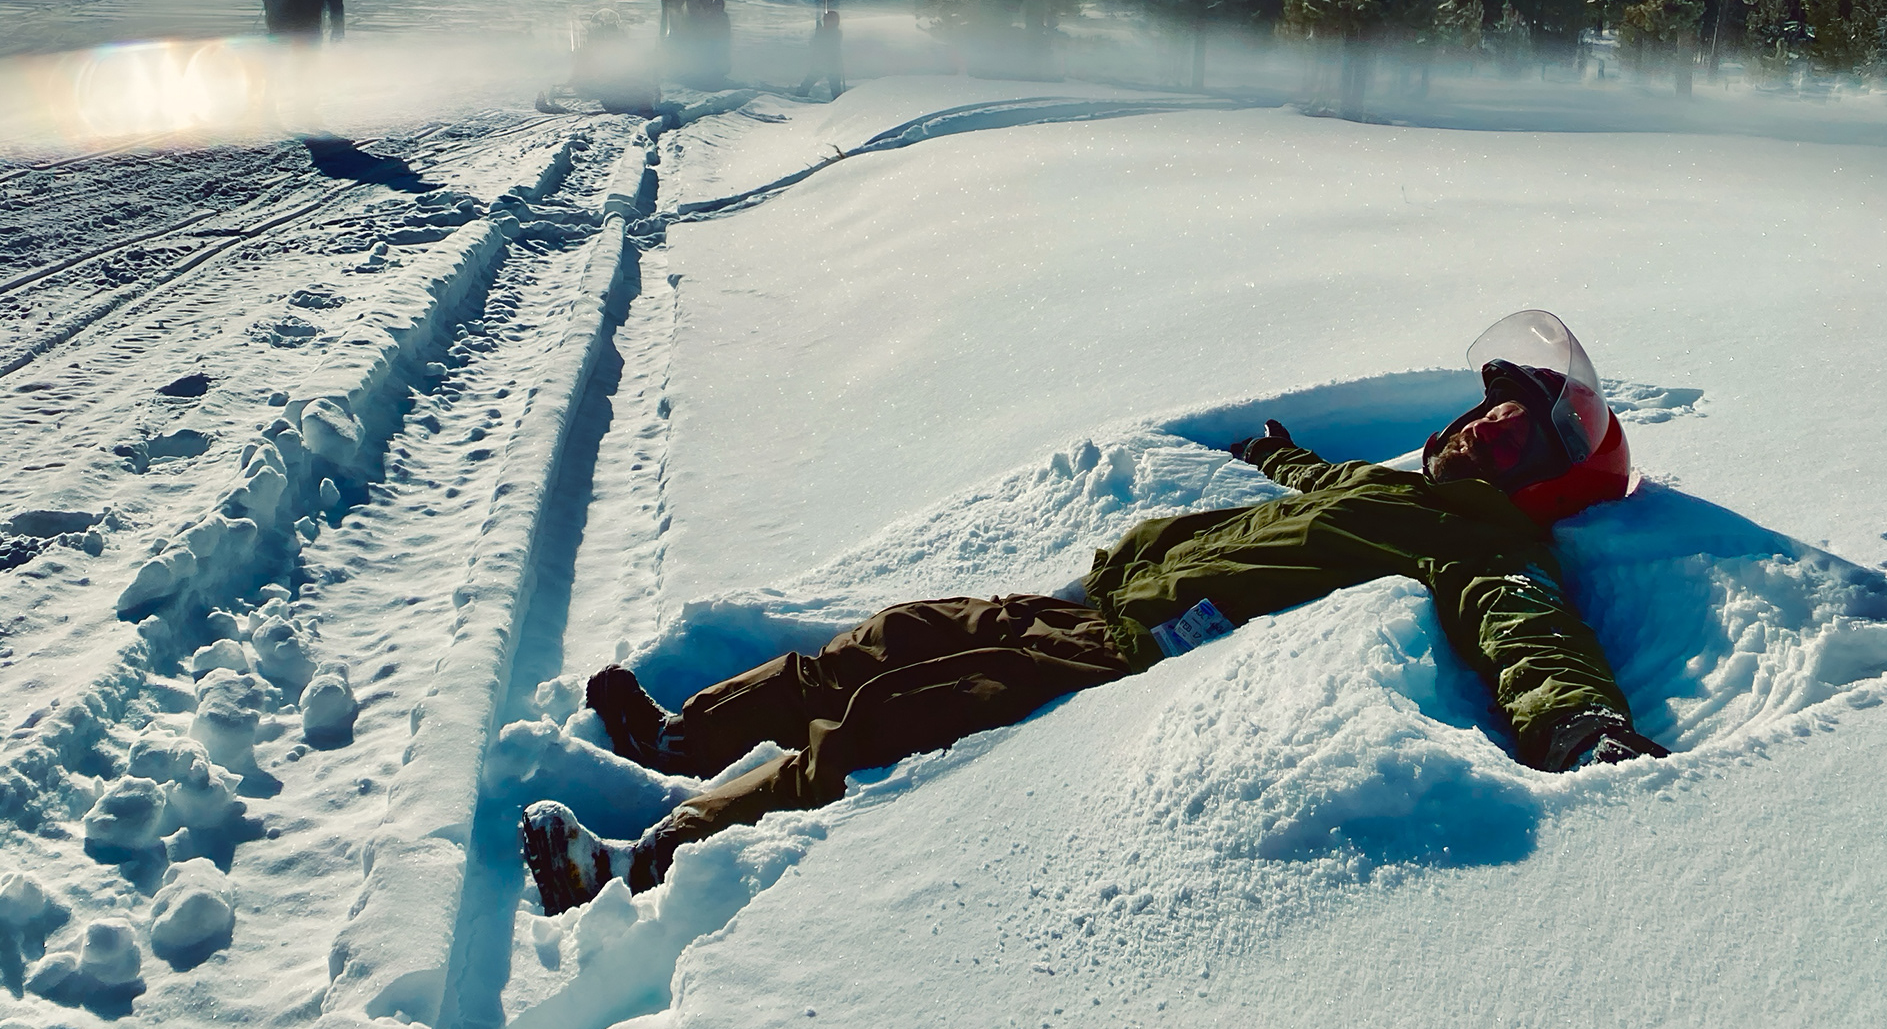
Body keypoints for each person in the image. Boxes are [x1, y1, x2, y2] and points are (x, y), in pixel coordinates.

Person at [520, 310, 1668, 915]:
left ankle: (645, 861)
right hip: (1090, 604)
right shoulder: (1399, 491)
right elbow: (1322, 488)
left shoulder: (1488, 545)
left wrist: (1581, 725)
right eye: (1486, 413)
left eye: (1513, 437)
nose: (1483, 431)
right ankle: (681, 739)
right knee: (889, 639)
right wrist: (1277, 452)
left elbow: (1529, 629)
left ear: (1537, 483)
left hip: (1127, 657)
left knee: (886, 719)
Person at [796, 0, 845, 99]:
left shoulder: (833, 33)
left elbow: (826, 46)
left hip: (830, 64)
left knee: (835, 89)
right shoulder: (830, 32)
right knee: (807, 84)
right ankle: (800, 96)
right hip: (824, 64)